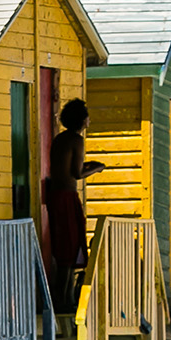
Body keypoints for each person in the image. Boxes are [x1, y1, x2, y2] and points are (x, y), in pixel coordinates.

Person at [46, 99, 105, 301]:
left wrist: (88, 165)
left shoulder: (60, 139)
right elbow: (77, 173)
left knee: (65, 247)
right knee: (70, 247)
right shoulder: (76, 140)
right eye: (87, 116)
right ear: (81, 119)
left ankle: (67, 298)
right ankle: (62, 299)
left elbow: (69, 166)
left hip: (56, 195)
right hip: (66, 196)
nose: (89, 119)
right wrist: (97, 168)